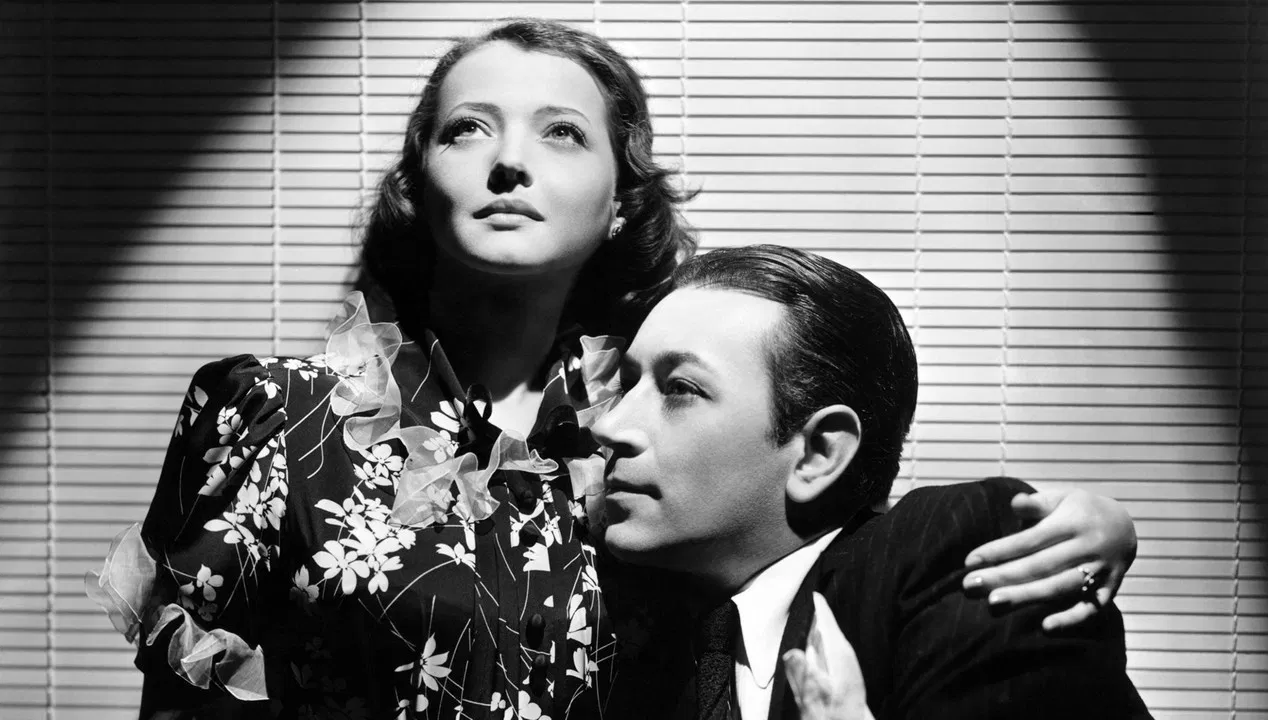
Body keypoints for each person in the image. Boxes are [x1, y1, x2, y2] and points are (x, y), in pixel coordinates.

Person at [86, 18, 1139, 720]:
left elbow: (811, 524)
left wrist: (1067, 525)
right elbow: (187, 700)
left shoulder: (636, 422)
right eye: (466, 130)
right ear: (415, 185)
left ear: (622, 202)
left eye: (561, 133)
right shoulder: (273, 410)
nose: (508, 161)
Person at [591, 244, 1152, 720]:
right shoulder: (645, 641)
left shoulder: (957, 556)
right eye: (627, 384)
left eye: (680, 389)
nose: (610, 426)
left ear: (818, 453)